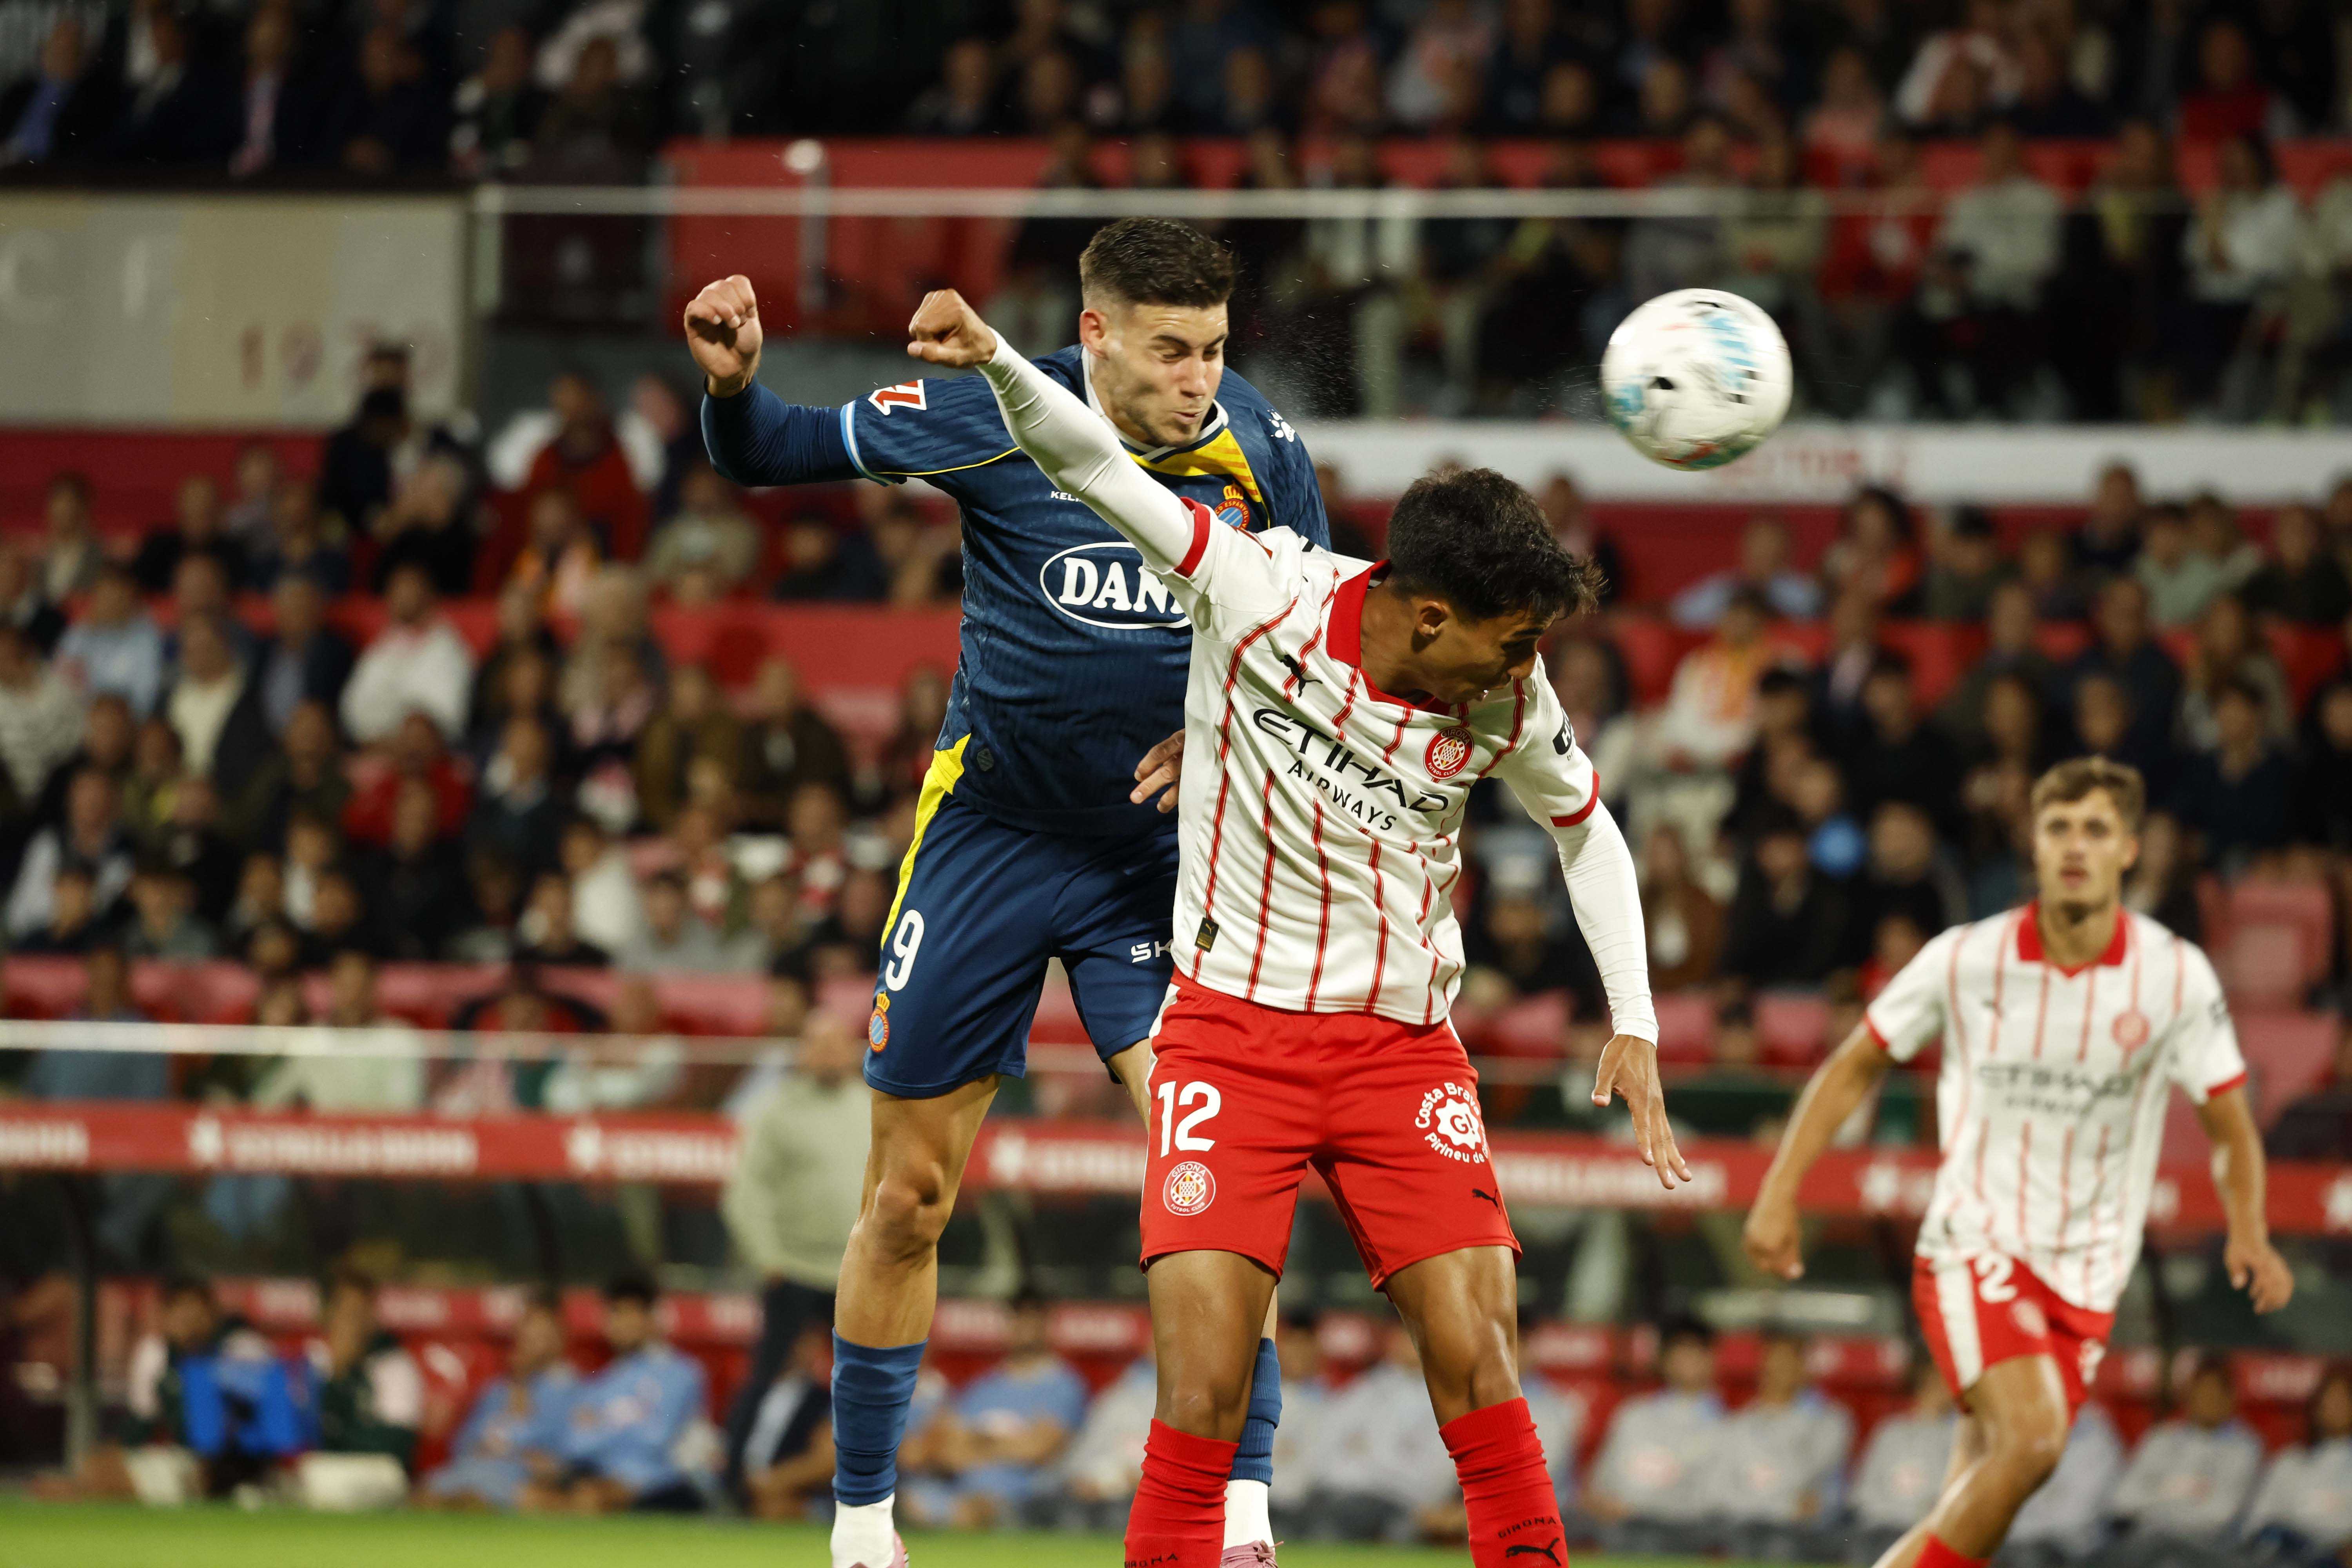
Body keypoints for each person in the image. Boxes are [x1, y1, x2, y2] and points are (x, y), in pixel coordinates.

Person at [900, 288, 1681, 1568]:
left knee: (1481, 1364)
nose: (1525, 669)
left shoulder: (1510, 696)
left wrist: (1634, 1020)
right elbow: (1092, 463)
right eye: (1509, 643)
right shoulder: (1261, 591)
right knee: (1202, 1396)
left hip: (1403, 1053)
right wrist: (993, 358)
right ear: (1430, 617)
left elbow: (1587, 830)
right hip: (1231, 1043)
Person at [685, 218, 1332, 1568]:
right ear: (1094, 336)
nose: (1200, 381)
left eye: (1215, 349)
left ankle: (1244, 1510)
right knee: (907, 1199)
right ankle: (863, 1525)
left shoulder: (1261, 450)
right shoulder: (992, 409)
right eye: (1170, 352)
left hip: (1155, 861)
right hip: (989, 840)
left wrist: (1224, 734)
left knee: (1211, 1167)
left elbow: (1311, 645)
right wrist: (735, 388)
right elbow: (773, 451)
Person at [1742, 757, 2295, 1568]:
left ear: (2130, 848)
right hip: (1978, 1245)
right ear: (2033, 845)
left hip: (2090, 1277)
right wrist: (1779, 1189)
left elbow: (2230, 1123)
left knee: (1987, 1489)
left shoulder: (2175, 975)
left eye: (2096, 829)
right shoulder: (1967, 957)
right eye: (2058, 828)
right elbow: (1856, 1062)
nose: (2075, 845)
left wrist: (2249, 1229)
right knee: (2033, 1443)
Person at [720, 1014, 868, 1486]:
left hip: (856, 1270)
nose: (828, 1054)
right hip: (795, 1267)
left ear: (853, 1051)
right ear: (801, 1053)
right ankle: (730, 1483)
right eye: (818, 1045)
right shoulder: (776, 1110)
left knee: (869, 1382)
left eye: (836, 1044)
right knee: (767, 1376)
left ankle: (879, 1484)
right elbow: (746, 1191)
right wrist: (768, 1258)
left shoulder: (874, 1107)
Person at [526, 1273, 710, 1514]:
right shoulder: (604, 1381)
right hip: (599, 1475)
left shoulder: (681, 1373)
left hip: (663, 1482)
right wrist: (611, 1432)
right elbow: (575, 1443)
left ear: (651, 1318)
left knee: (590, 1497)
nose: (623, 1323)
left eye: (631, 1313)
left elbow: (655, 1440)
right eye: (616, 1313)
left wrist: (601, 1427)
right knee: (533, 1495)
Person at [903, 1292, 1088, 1528]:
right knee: (913, 1499)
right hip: (962, 1489)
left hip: (1026, 1497)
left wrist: (977, 1442)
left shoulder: (1063, 1385)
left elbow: (1037, 1450)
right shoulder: (984, 1387)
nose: (1023, 1328)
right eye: (1016, 1318)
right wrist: (1003, 1444)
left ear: (1046, 1325)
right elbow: (946, 1447)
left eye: (1031, 1319)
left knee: (981, 1509)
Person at [419, 1291, 577, 1509]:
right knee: (426, 1494)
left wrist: (522, 1450)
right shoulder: (497, 1390)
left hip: (518, 1480)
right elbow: (462, 1445)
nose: (530, 1342)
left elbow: (563, 1458)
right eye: (526, 1332)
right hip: (470, 1471)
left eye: (541, 1334)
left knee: (478, 1500)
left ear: (560, 1338)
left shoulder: (571, 1389)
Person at [1706, 1329, 1856, 1558]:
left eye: (1788, 1361)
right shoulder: (1739, 1423)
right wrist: (1766, 1505)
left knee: (1779, 1544)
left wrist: (1778, 1504)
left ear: (1804, 1368)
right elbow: (1721, 1485)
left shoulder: (1830, 1420)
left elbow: (1804, 1477)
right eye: (1772, 1361)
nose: (1778, 1370)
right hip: (1746, 1521)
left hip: (1805, 1528)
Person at [1582, 1317, 1726, 1552]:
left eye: (1695, 1351)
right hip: (1620, 1530)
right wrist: (1604, 1504)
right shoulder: (1633, 1414)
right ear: (1664, 1359)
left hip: (1685, 1537)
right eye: (1679, 1351)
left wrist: (1642, 1510)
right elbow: (1597, 1485)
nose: (1686, 1360)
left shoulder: (1728, 1427)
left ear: (1711, 1359)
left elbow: (1716, 1505)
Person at [2104, 1357, 2265, 1563]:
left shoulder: (2245, 1447)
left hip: (2208, 1553)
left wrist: (2159, 1496)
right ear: (2189, 1396)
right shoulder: (2161, 1438)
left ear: (2230, 1398)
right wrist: (2186, 1496)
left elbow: (2220, 1516)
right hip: (2148, 1544)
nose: (2208, 1400)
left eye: (2215, 1394)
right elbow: (2123, 1500)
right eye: (2202, 1392)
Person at [2238, 1363, 2352, 1566]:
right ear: (2317, 1407)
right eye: (2330, 1399)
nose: (2336, 1407)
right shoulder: (2290, 1461)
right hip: (2291, 1555)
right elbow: (2257, 1522)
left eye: (2344, 1400)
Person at [1848, 1363, 1961, 1562]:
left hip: (1928, 1531)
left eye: (1944, 1383)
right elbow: (1864, 1492)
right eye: (1932, 1383)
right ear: (1920, 1384)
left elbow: (1954, 1494)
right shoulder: (1890, 1430)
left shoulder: (1959, 1436)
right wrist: (1886, 1516)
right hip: (1881, 1528)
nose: (1938, 1390)